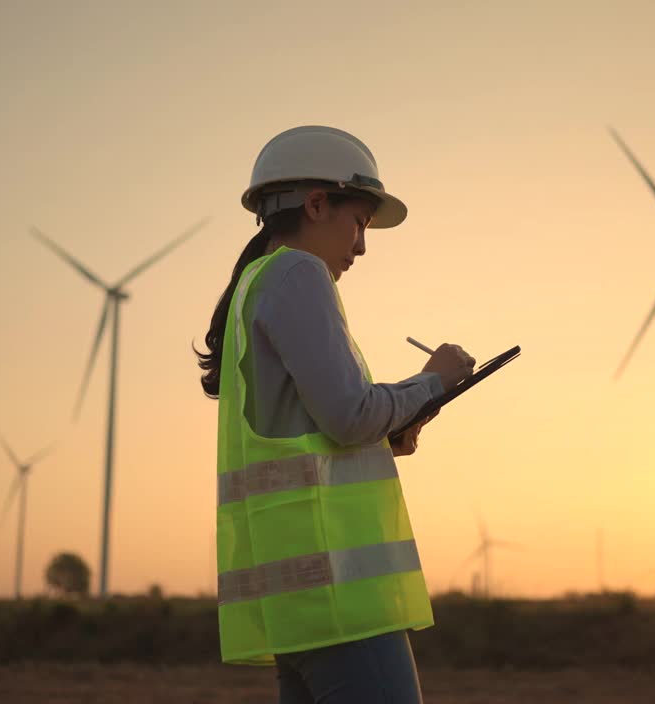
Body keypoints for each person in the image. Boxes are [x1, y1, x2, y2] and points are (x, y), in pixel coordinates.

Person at [195, 125, 475, 703]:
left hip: (296, 609)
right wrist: (433, 381)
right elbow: (350, 415)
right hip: (340, 598)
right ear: (318, 204)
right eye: (360, 222)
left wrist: (389, 434)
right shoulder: (298, 273)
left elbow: (312, 430)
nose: (362, 245)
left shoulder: (256, 283)